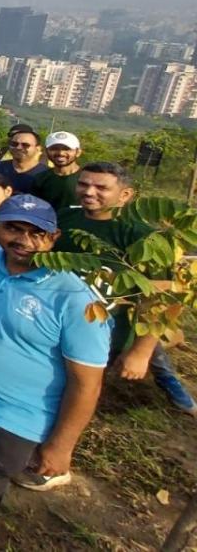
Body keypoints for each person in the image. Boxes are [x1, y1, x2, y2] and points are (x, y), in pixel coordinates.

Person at [0, 196, 110, 551]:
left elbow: (87, 382)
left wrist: (61, 446)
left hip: (14, 419)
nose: (23, 240)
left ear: (53, 238)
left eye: (36, 233)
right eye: (13, 228)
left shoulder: (75, 297)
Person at [51, 162, 196, 418]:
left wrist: (140, 351)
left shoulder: (142, 236)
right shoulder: (66, 217)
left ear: (125, 195)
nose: (89, 191)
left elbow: (161, 297)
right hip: (60, 319)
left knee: (80, 387)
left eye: (101, 187)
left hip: (109, 329)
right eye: (83, 184)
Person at [32, 131, 83, 212]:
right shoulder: (40, 179)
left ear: (78, 152)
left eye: (67, 149)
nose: (60, 153)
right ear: (46, 151)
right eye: (54, 149)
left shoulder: (88, 178)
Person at [0, 128, 47, 194]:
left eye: (25, 145)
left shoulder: (46, 175)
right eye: (14, 144)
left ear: (38, 148)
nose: (18, 147)